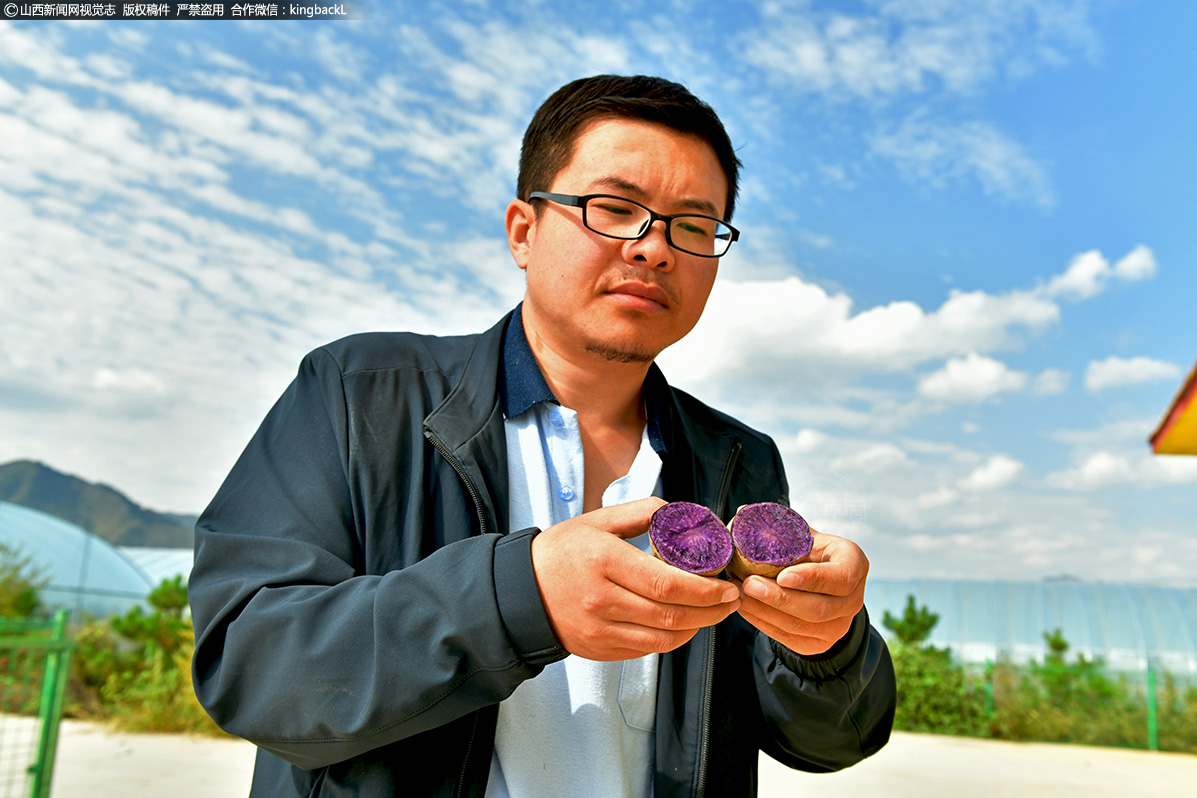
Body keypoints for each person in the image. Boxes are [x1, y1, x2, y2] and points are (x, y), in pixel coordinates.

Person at [189, 74, 895, 798]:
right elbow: (249, 665)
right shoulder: (360, 388)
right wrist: (515, 598)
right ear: (523, 231)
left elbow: (825, 742)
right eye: (614, 208)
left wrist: (826, 647)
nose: (654, 248)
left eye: (691, 226)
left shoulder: (737, 459)